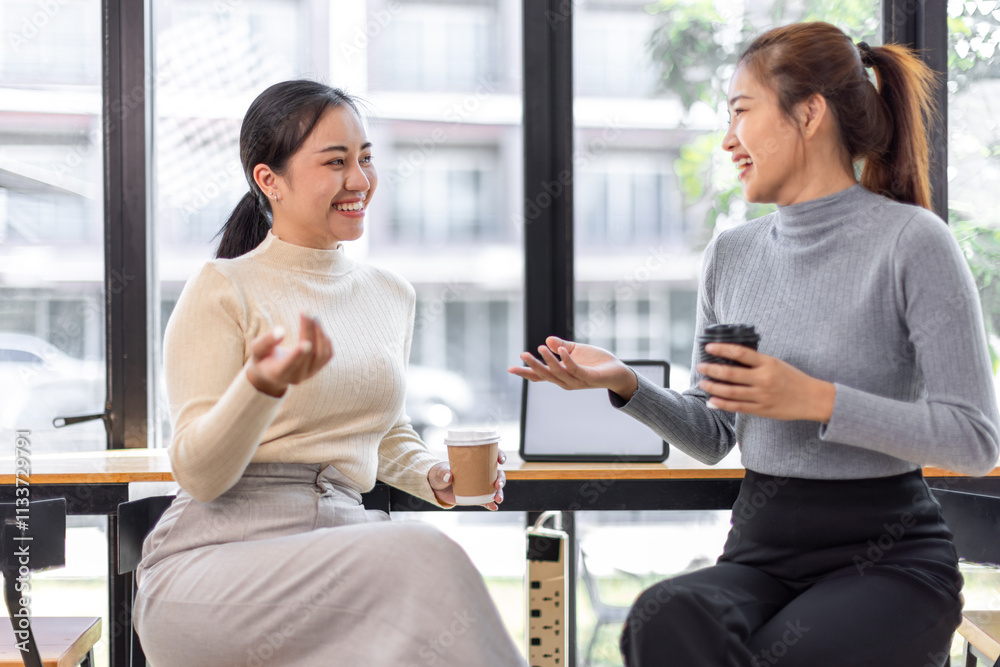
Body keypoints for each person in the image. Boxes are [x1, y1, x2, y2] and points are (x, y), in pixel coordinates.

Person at [510, 22, 1000, 667]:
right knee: (664, 619)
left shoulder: (911, 242)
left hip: (891, 558)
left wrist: (817, 399)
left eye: (742, 111)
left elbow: (974, 439)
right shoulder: (732, 255)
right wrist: (624, 384)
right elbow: (714, 436)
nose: (727, 140)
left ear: (809, 114)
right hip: (760, 552)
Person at [134, 80, 525, 666]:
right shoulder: (223, 288)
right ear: (270, 180)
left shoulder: (390, 294)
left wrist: (434, 476)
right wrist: (261, 387)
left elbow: (383, 428)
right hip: (216, 564)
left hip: (342, 544)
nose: (360, 181)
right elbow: (200, 473)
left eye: (366, 159)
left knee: (416, 576)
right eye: (336, 162)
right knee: (419, 555)